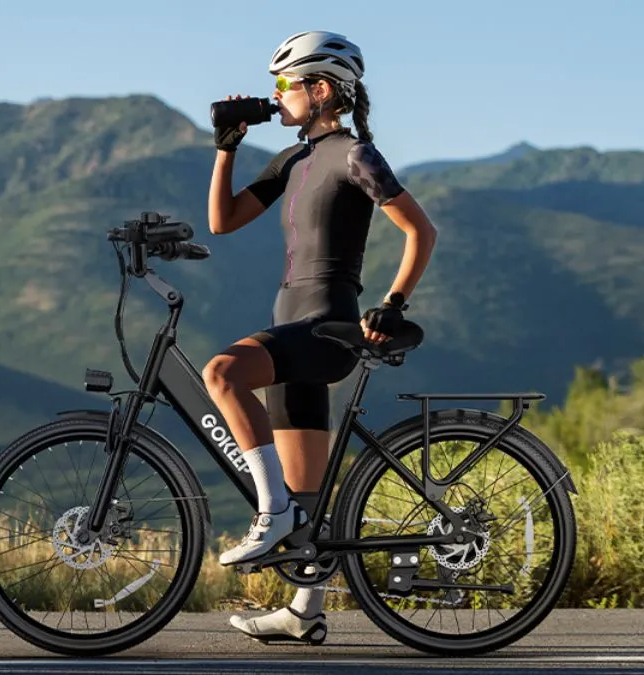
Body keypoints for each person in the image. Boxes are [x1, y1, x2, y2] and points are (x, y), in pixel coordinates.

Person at [203, 30, 440, 645]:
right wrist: (226, 146)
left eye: (285, 85)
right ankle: (305, 609)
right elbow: (222, 221)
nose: (276, 96)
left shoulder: (354, 155)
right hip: (291, 323)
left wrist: (392, 302)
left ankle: (269, 513)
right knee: (306, 500)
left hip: (326, 327)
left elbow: (421, 232)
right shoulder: (294, 159)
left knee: (222, 374)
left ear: (323, 89)